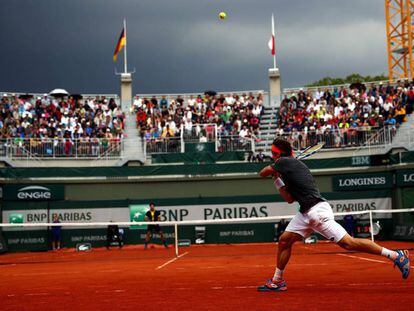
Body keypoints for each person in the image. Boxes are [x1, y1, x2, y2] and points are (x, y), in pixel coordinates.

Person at [257, 138, 410, 292]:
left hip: (317, 211)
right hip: (305, 213)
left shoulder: (284, 161)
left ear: (281, 153)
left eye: (274, 153)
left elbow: (262, 173)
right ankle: (278, 280)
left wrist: (274, 171)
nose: (272, 156)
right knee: (284, 241)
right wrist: (277, 179)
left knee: (348, 243)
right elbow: (289, 199)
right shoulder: (288, 166)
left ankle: (396, 256)